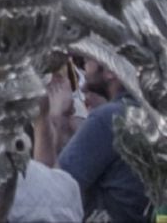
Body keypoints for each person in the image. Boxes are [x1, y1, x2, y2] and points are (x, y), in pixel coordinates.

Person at [58, 58, 149, 222]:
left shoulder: (109, 118)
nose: (83, 68)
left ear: (110, 71)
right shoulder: (148, 115)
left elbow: (54, 190)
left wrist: (46, 121)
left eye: (87, 60)